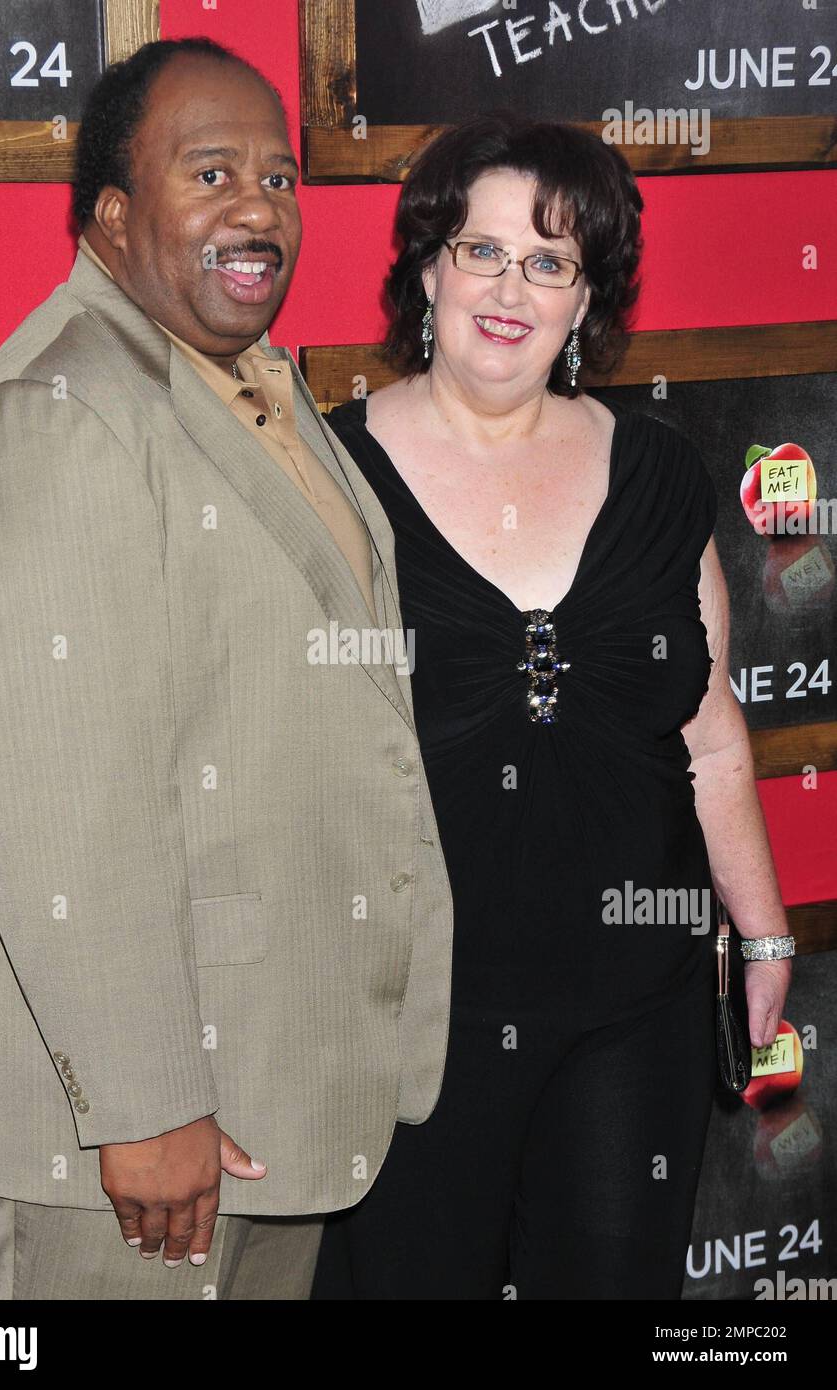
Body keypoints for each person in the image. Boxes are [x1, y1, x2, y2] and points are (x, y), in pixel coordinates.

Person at [0, 38, 454, 1300]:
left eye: (281, 176)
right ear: (111, 217)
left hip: (260, 1084)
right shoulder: (58, 416)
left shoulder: (245, 378)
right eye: (211, 172)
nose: (259, 205)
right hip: (110, 1143)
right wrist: (143, 1106)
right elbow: (56, 800)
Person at [311, 114, 793, 1300]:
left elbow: (710, 722)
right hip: (414, 1019)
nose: (510, 287)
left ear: (588, 300)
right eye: (481, 251)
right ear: (428, 268)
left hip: (635, 1010)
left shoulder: (663, 472)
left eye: (551, 260)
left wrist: (767, 932)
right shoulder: (328, 480)